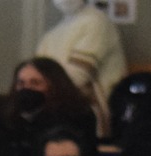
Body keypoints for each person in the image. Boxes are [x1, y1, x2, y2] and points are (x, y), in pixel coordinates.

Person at [36, 0, 125, 134]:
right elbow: (36, 72)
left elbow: (78, 75)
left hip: (89, 109)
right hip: (56, 103)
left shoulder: (96, 22)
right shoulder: (52, 34)